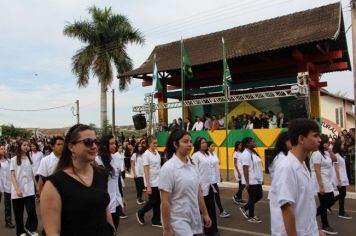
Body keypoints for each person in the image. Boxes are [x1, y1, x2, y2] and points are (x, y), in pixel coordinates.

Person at [40, 124, 115, 236]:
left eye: (96, 142)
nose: (94, 146)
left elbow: (104, 209)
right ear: (71, 147)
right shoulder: (54, 184)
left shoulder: (101, 174)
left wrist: (112, 230)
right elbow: (52, 232)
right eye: (88, 142)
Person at [268, 118, 323, 236]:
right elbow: (286, 208)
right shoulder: (286, 167)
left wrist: (316, 229)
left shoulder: (302, 165)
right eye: (315, 136)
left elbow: (307, 204)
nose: (319, 140)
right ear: (301, 139)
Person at [159, 129, 212, 236]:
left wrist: (205, 214)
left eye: (190, 141)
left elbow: (198, 193)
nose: (189, 145)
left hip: (193, 218)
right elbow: (165, 202)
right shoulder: (168, 168)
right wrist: (167, 228)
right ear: (175, 144)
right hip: (177, 221)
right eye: (185, 141)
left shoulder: (192, 165)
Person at [310, 134, 338, 234]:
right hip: (320, 181)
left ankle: (310, 216)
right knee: (324, 203)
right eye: (326, 142)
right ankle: (325, 225)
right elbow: (317, 171)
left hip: (327, 181)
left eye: (328, 142)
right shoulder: (316, 154)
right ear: (321, 143)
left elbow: (335, 159)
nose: (328, 144)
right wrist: (320, 186)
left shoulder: (326, 153)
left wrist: (330, 150)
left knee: (330, 201)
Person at [96, 134, 125, 231]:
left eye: (115, 143)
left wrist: (121, 197)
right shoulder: (97, 161)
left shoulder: (116, 158)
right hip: (104, 205)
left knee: (115, 229)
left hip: (116, 202)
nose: (115, 146)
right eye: (111, 143)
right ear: (104, 145)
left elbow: (118, 181)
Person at [10, 139, 38, 236]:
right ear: (19, 147)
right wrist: (17, 189)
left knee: (31, 211)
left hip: (29, 189)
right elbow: (12, 175)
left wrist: (36, 185)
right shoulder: (13, 160)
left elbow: (32, 173)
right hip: (18, 191)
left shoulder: (29, 158)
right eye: (24, 145)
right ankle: (20, 231)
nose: (27, 147)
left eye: (27, 145)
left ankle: (30, 227)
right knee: (19, 213)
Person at [191, 137, 219, 235]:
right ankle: (191, 230)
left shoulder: (207, 154)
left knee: (211, 209)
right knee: (198, 211)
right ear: (198, 144)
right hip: (201, 187)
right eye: (202, 143)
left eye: (205, 142)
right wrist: (199, 186)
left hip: (210, 185)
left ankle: (212, 230)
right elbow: (194, 172)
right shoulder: (195, 156)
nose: (204, 144)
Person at [136, 135, 162, 227]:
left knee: (158, 201)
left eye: (156, 142)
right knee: (153, 200)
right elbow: (146, 170)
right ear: (149, 143)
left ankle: (155, 220)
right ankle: (141, 212)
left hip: (159, 181)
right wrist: (148, 185)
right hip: (151, 181)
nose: (156, 144)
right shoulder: (146, 154)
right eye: (154, 143)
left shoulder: (157, 152)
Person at [239, 137, 263, 223]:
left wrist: (261, 179)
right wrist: (247, 183)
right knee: (252, 198)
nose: (254, 142)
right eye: (252, 141)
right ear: (247, 144)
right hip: (251, 180)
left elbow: (257, 166)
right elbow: (245, 168)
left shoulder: (253, 152)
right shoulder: (246, 154)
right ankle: (251, 216)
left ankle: (245, 208)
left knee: (259, 196)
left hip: (256, 179)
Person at [207, 142, 230, 218]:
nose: (214, 147)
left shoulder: (214, 154)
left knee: (213, 196)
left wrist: (219, 176)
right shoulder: (206, 156)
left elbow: (217, 166)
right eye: (212, 146)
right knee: (216, 195)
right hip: (210, 179)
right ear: (208, 147)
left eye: (214, 146)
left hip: (215, 177)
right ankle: (221, 211)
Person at [332, 140, 352, 220]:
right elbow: (336, 168)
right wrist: (339, 179)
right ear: (338, 145)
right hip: (339, 177)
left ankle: (340, 210)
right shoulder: (336, 155)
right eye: (342, 144)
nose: (343, 146)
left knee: (343, 194)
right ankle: (340, 211)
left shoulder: (340, 155)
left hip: (342, 177)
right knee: (343, 194)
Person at [0, 142, 15, 228]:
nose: (3, 150)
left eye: (4, 149)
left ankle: (8, 221)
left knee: (8, 204)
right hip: (0, 185)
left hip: (7, 185)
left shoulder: (9, 161)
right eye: (1, 149)